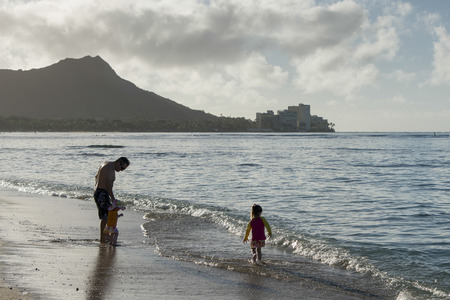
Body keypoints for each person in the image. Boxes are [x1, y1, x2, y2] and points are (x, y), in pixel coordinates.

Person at [94, 157, 130, 243]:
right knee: (106, 217)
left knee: (107, 216)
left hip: (100, 192)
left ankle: (104, 237)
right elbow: (108, 185)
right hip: (102, 193)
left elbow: (96, 177)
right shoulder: (110, 168)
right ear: (118, 163)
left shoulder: (106, 164)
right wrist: (113, 199)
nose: (121, 170)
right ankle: (103, 239)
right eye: (122, 168)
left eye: (123, 169)